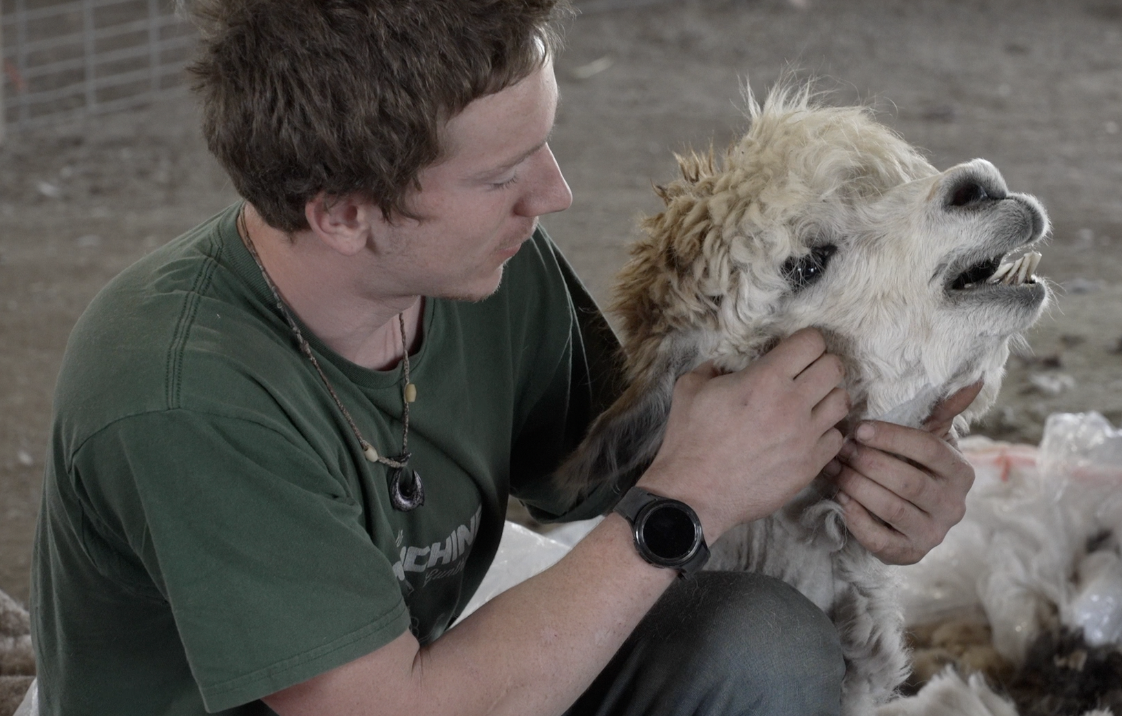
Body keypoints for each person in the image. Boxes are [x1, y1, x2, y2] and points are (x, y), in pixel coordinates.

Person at [29, 1, 979, 714]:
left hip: (437, 679)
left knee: (761, 644)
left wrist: (869, 471)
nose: (554, 193)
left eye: (541, 145)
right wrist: (680, 507)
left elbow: (628, 464)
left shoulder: (481, 271)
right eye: (499, 175)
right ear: (345, 214)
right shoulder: (183, 397)